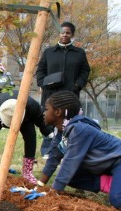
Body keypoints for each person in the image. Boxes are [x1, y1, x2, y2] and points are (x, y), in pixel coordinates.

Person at [37, 91, 120, 208]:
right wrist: (39, 186)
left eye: (46, 109)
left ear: (58, 112)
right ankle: (112, 183)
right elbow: (53, 158)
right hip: (106, 165)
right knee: (71, 177)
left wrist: (53, 193)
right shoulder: (60, 132)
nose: (44, 113)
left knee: (117, 200)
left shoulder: (79, 129)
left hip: (118, 161)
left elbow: (70, 163)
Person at [36, 21, 90, 158]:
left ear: (72, 35)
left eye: (68, 33)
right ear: (58, 33)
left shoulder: (79, 53)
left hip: (70, 95)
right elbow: (40, 70)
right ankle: (47, 150)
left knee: (69, 122)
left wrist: (77, 85)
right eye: (62, 32)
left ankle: (68, 150)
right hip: (50, 94)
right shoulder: (49, 52)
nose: (64, 35)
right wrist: (43, 83)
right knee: (48, 121)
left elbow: (85, 71)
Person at [0, 91, 53, 183]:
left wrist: (50, 134)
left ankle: (27, 172)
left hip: (24, 114)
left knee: (30, 138)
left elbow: (42, 121)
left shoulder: (32, 106)